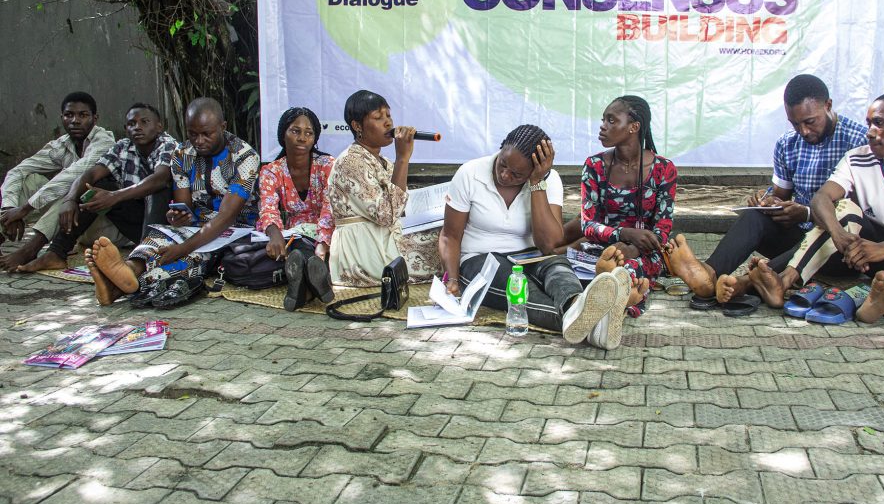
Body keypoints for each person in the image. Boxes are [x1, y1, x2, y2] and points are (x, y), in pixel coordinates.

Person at [746, 92, 884, 323]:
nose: (870, 131)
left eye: (879, 123)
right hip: (870, 257)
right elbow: (821, 198)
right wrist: (838, 234)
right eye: (869, 123)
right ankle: (785, 280)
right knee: (843, 207)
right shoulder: (856, 158)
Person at [438, 124, 648, 350]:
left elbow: (549, 245)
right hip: (480, 259)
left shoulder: (549, 179)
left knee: (558, 268)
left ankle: (580, 307)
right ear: (501, 149)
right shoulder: (470, 173)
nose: (505, 175)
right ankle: (597, 318)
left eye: (517, 174)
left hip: (533, 255)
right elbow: (450, 236)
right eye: (503, 164)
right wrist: (453, 279)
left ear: (535, 170)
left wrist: (537, 184)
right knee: (521, 290)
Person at [665, 74, 868, 303]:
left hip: (838, 245)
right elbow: (781, 195)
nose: (803, 131)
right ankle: (708, 274)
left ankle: (748, 282)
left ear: (828, 105)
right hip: (797, 237)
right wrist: (769, 203)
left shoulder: (860, 142)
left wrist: (806, 213)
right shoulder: (787, 143)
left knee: (819, 235)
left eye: (810, 121)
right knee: (754, 218)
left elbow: (857, 214)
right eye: (795, 123)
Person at [85, 97, 260, 306]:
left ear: (223, 127)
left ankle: (118, 287)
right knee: (158, 237)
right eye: (192, 134)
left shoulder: (244, 156)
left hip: (236, 229)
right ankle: (129, 268)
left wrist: (183, 247)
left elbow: (226, 217)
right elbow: (184, 207)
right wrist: (177, 217)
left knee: (192, 256)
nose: (199, 141)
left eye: (207, 134)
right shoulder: (182, 153)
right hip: (197, 226)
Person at [14, 103, 177, 273]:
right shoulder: (123, 146)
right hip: (135, 223)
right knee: (95, 187)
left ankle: (142, 260)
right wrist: (70, 199)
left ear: (159, 127)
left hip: (165, 226)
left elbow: (160, 179)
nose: (137, 127)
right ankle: (56, 253)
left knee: (156, 189)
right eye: (131, 124)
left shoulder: (168, 144)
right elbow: (91, 174)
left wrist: (115, 196)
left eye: (144, 122)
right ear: (126, 129)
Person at [327, 90, 441, 286]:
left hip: (383, 236)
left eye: (388, 115)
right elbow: (387, 215)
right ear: (357, 126)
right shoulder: (351, 162)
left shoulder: (384, 162)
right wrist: (403, 158)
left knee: (447, 231)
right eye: (378, 117)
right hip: (364, 247)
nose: (388, 123)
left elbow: (397, 208)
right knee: (442, 244)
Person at [579, 95, 676, 316]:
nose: (603, 126)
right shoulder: (594, 165)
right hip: (602, 250)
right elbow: (587, 225)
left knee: (627, 269)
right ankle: (620, 300)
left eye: (611, 120)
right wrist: (624, 234)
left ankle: (615, 302)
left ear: (634, 127)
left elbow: (662, 230)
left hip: (646, 253)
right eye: (604, 120)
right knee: (586, 269)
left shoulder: (663, 169)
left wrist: (633, 249)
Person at [0, 92, 115, 270]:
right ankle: (2, 231)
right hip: (71, 225)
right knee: (30, 180)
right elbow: (19, 170)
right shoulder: (63, 145)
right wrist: (10, 209)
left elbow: (74, 175)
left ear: (95, 118)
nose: (75, 121)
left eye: (83, 115)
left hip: (104, 225)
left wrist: (24, 209)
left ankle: (31, 249)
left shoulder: (105, 142)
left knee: (74, 187)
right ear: (62, 118)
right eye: (69, 115)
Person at [257, 107, 335, 311]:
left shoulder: (327, 165)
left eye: (309, 133)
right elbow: (268, 208)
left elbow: (330, 208)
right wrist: (275, 234)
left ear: (315, 138)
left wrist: (323, 243)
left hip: (328, 232)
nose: (302, 138)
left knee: (306, 252)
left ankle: (302, 291)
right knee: (297, 248)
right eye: (295, 131)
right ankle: (315, 284)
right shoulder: (271, 171)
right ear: (282, 134)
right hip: (294, 235)